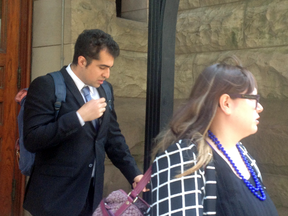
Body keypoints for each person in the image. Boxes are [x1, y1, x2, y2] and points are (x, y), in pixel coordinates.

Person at [23, 29, 144, 216]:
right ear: (82, 61)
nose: (107, 74)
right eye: (102, 67)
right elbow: (32, 139)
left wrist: (134, 173)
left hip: (91, 199)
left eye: (110, 67)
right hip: (54, 201)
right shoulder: (46, 85)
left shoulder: (105, 90)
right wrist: (78, 117)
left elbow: (113, 138)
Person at [149, 56, 279, 216]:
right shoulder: (186, 158)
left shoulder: (243, 155)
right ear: (226, 103)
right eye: (254, 98)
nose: (260, 107)